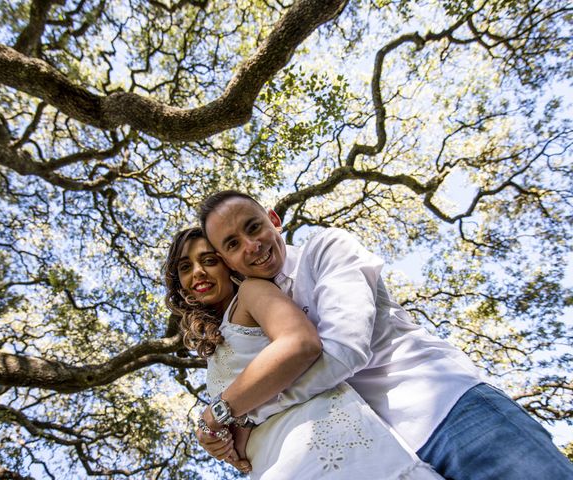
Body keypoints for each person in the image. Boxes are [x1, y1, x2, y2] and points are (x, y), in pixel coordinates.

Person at [196, 190, 573, 480]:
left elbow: (345, 350)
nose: (251, 245)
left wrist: (244, 413)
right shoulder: (256, 316)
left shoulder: (326, 250)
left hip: (448, 414)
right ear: (227, 261)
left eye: (253, 226)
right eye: (232, 244)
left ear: (274, 220)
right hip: (381, 457)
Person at [164, 226, 443, 479]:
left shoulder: (251, 292)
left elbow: (300, 343)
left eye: (209, 260)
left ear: (227, 264)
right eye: (185, 267)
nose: (197, 272)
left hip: (324, 443)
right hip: (274, 464)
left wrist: (217, 414)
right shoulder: (216, 341)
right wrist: (220, 441)